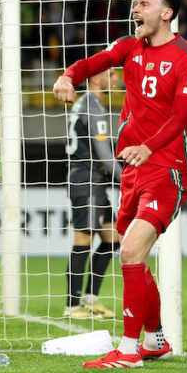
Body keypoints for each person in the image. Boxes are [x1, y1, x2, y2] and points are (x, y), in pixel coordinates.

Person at [53, 0, 187, 369]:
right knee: (133, 259)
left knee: (131, 250)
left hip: (167, 167)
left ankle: (128, 349)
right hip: (133, 170)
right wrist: (69, 75)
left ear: (166, 13)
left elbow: (181, 115)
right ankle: (155, 340)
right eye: (134, 3)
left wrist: (149, 147)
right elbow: (91, 64)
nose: (135, 9)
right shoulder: (128, 47)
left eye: (144, 4)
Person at [64, 68, 121, 321]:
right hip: (86, 181)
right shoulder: (93, 106)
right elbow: (104, 153)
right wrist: (125, 179)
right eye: (111, 75)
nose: (117, 79)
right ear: (96, 78)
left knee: (113, 239)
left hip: (94, 182)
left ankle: (89, 299)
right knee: (83, 242)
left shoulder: (83, 103)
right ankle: (72, 305)